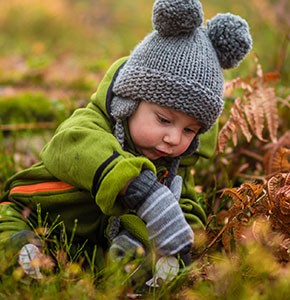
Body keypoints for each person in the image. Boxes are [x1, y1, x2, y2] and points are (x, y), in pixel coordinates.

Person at [0, 0, 252, 284]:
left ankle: (118, 272)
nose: (173, 139)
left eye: (190, 131)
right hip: (35, 213)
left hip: (90, 245)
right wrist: (137, 187)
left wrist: (182, 244)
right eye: (164, 120)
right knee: (7, 228)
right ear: (128, 102)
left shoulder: (172, 165)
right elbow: (67, 147)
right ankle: (24, 253)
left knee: (136, 257)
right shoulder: (92, 124)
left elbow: (186, 207)